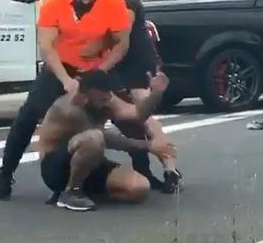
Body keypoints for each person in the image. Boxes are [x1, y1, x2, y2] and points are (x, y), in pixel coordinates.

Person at [0, 0, 132, 200]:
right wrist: (65, 79)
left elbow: (122, 43)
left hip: (97, 68)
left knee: (126, 115)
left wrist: (100, 71)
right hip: (61, 66)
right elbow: (46, 47)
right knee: (27, 116)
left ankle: (147, 171)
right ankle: (6, 171)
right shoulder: (55, 1)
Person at [80, 0, 183, 193]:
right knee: (122, 117)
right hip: (113, 61)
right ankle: (142, 168)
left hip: (136, 61)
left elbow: (118, 34)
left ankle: (171, 169)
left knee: (143, 117)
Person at [39, 69, 176, 211]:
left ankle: (88, 192)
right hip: (56, 167)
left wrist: (156, 93)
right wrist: (148, 146)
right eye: (103, 100)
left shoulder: (104, 98)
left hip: (90, 162)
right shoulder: (69, 109)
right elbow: (105, 138)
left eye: (108, 98)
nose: (107, 102)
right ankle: (71, 191)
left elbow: (137, 114)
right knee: (94, 138)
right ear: (85, 97)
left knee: (139, 188)